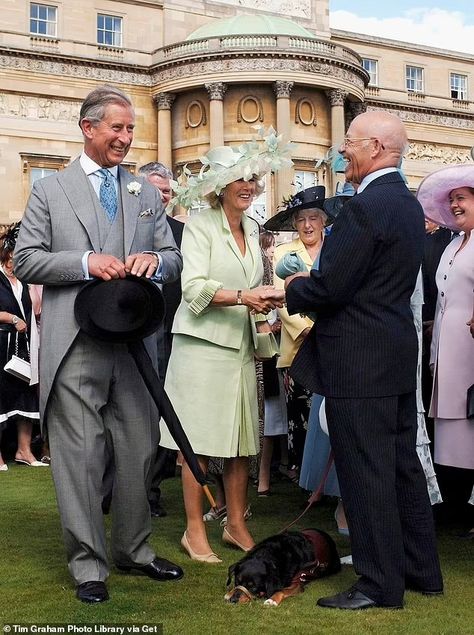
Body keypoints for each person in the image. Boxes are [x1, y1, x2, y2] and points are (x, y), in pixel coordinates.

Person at [14, 85, 183, 604]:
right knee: (80, 457)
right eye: (117, 128)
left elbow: (173, 257)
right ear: (88, 128)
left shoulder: (145, 192)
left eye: (131, 129)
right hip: (75, 344)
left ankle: (135, 551)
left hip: (135, 346)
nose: (126, 138)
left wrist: (156, 264)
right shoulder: (49, 190)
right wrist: (85, 262)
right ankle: (89, 564)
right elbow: (26, 260)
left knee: (136, 452)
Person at [285, 111, 443, 609]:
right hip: (395, 356)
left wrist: (293, 288)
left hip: (358, 362)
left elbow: (332, 286)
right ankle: (423, 571)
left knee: (366, 473)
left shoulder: (364, 207)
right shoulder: (406, 203)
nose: (342, 152)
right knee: (402, 468)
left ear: (375, 147)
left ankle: (379, 584)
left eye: (348, 143)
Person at [159, 129, 290, 562]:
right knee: (193, 442)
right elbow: (192, 287)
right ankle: (194, 530)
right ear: (220, 187)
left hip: (240, 346)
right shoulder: (199, 224)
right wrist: (244, 297)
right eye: (240, 179)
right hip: (200, 348)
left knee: (240, 443)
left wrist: (265, 307)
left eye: (253, 178)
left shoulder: (253, 229)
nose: (249, 187)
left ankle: (236, 525)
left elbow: (253, 284)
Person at [417, 164, 474, 530]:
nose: (455, 205)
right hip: (446, 345)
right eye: (451, 199)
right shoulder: (452, 244)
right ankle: (458, 503)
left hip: (471, 346)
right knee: (454, 430)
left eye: (462, 198)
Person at [264, 186, 327, 483]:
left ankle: (329, 476)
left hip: (335, 343)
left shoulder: (337, 248)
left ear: (324, 220)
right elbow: (282, 300)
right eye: (301, 219)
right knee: (301, 413)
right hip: (299, 346)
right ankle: (305, 475)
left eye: (313, 217)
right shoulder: (283, 253)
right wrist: (310, 329)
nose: (307, 225)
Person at [138, 161, 184, 518]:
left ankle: (151, 491)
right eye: (157, 190)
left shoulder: (183, 233)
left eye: (167, 191)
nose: (163, 197)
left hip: (172, 335)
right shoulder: (127, 229)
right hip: (131, 334)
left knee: (161, 412)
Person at [0, 224, 45, 470]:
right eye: (9, 259)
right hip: (2, 344)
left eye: (16, 259)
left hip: (24, 348)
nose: (12, 264)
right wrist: (11, 318)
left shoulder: (26, 281)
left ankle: (24, 450)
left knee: (26, 396)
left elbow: (36, 311)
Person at [256, 230, 288, 497]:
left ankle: (264, 474)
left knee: (269, 417)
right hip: (246, 345)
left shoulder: (272, 267)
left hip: (269, 350)